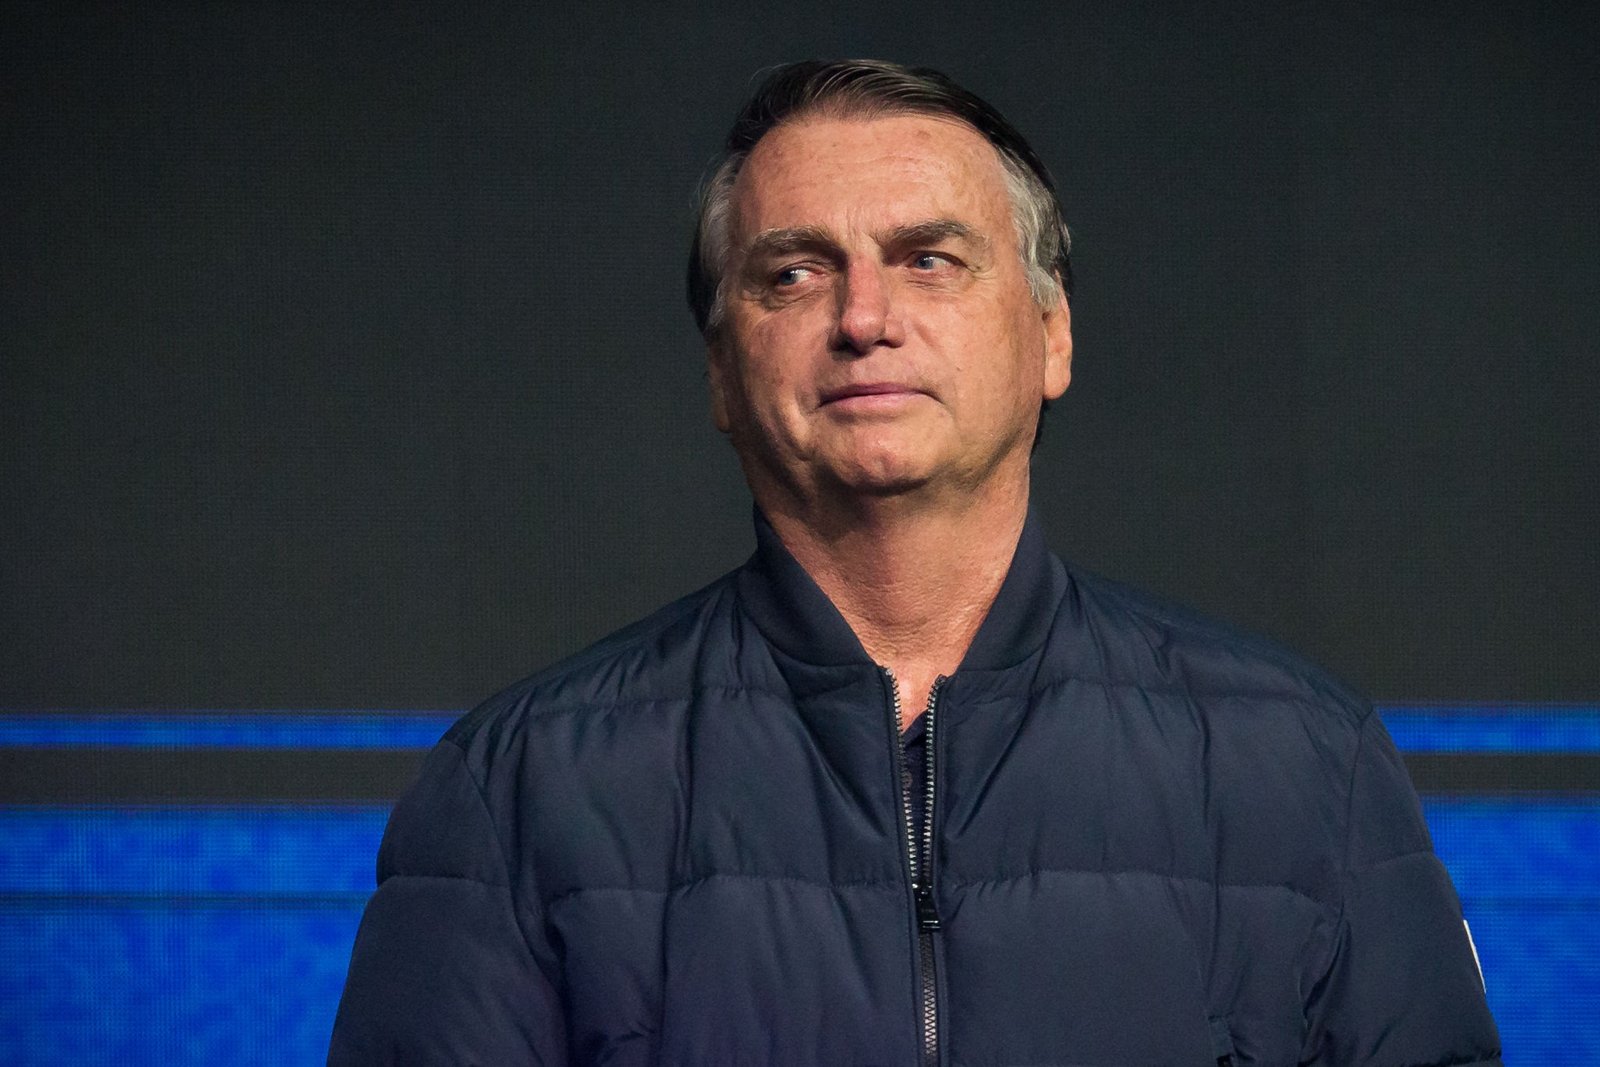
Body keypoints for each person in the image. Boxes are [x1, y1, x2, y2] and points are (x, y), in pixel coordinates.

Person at [329, 59, 1500, 1066]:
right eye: (792, 273)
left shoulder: (1306, 764)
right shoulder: (517, 792)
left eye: (930, 258)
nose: (863, 316)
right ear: (720, 375)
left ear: (1051, 335)